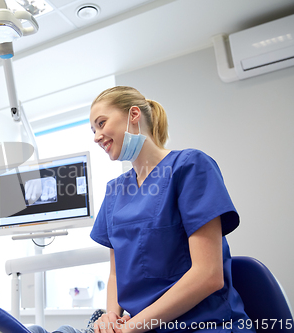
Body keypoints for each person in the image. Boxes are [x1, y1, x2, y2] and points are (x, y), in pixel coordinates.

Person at [89, 86, 254, 333]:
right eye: (93, 130)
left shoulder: (190, 167)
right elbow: (116, 274)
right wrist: (112, 316)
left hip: (204, 325)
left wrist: (132, 327)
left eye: (101, 123)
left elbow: (208, 274)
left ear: (134, 115)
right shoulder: (115, 190)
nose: (96, 136)